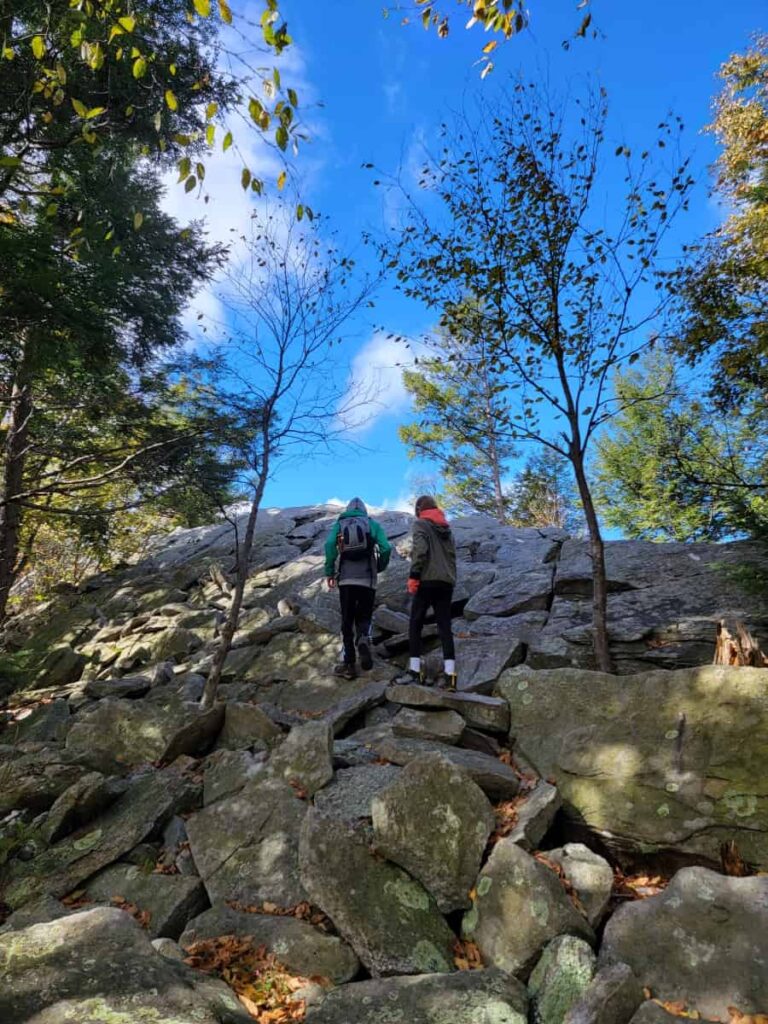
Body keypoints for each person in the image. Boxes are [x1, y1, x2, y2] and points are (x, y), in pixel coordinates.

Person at [324, 498, 391, 679]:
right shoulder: (371, 524)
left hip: (346, 579)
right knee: (364, 616)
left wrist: (329, 571)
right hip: (367, 580)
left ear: (347, 509)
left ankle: (349, 664)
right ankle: (363, 639)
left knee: (347, 621)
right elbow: (386, 547)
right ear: (364, 510)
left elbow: (329, 545)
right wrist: (380, 566)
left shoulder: (340, 524)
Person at [401, 494, 457, 690]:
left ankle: (415, 671)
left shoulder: (421, 524)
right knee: (444, 627)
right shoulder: (447, 529)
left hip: (427, 581)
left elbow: (420, 550)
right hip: (446, 582)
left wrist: (414, 577)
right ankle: (450, 676)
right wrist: (451, 578)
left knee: (415, 623)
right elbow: (452, 556)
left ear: (419, 510)